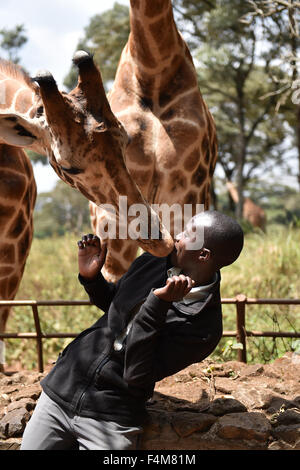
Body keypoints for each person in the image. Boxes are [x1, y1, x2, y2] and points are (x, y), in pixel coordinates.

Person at [20, 210, 244, 450]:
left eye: (188, 233)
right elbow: (116, 305)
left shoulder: (204, 329)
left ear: (203, 254)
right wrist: (92, 278)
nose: (177, 235)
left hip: (110, 419)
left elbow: (137, 373)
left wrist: (158, 305)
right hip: (61, 390)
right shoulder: (153, 260)